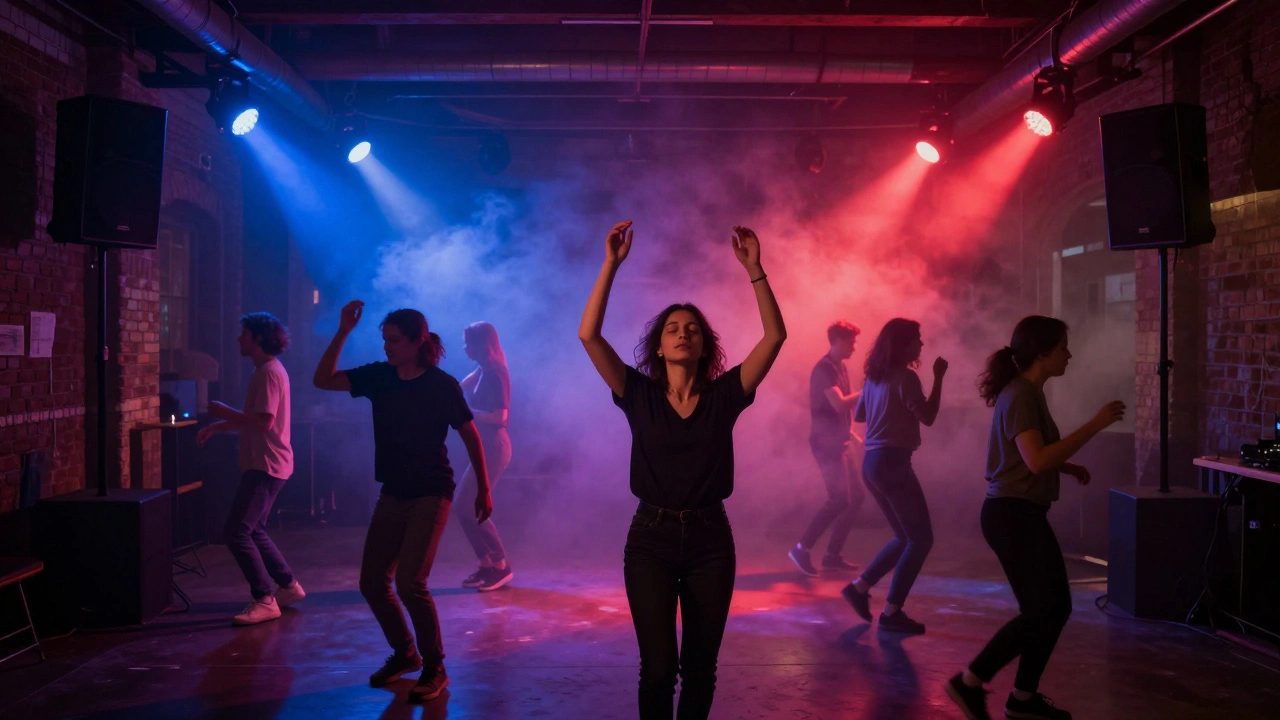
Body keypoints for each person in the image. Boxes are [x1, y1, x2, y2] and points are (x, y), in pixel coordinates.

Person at [578, 221, 786, 720]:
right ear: (658, 347)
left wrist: (755, 270)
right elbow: (589, 335)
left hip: (711, 542)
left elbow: (775, 336)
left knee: (699, 669)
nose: (683, 333)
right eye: (672, 328)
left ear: (703, 347)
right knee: (657, 669)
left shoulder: (724, 396)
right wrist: (611, 264)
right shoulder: (639, 395)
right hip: (649, 539)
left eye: (692, 329)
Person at [945, 315, 1125, 720]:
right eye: (1063, 347)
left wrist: (1068, 467)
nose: (1069, 354)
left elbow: (1030, 454)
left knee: (1051, 608)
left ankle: (1022, 697)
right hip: (1012, 515)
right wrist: (1095, 424)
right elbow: (1038, 459)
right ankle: (971, 681)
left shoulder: (1028, 393)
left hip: (1017, 512)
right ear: (1042, 353)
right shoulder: (1022, 395)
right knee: (1045, 610)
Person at [313, 301, 492, 703]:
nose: (387, 348)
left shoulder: (442, 385)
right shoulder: (381, 377)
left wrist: (483, 487)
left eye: (394, 341)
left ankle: (435, 666)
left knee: (411, 583)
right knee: (372, 582)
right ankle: (406, 653)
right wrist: (343, 331)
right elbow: (322, 379)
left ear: (418, 341)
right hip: (392, 493)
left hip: (431, 492)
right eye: (384, 340)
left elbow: (470, 435)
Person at [198, 312, 305, 626]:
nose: (238, 339)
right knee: (254, 530)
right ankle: (288, 586)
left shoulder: (268, 373)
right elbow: (257, 421)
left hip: (266, 465)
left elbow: (263, 422)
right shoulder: (267, 371)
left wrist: (223, 411)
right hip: (268, 463)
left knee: (236, 532)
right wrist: (221, 426)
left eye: (243, 334)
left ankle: (264, 599)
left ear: (258, 338)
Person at [839, 319, 945, 635]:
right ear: (903, 344)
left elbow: (859, 416)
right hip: (893, 464)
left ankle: (859, 588)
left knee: (904, 537)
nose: (921, 345)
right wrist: (939, 379)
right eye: (917, 339)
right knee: (921, 538)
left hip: (872, 464)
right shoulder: (907, 378)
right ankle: (892, 611)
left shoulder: (874, 378)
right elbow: (928, 417)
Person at [789, 320, 866, 576]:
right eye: (851, 342)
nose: (854, 347)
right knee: (839, 499)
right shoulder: (823, 369)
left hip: (839, 441)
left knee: (855, 498)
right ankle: (801, 548)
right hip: (826, 445)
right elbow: (840, 404)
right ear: (838, 341)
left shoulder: (840, 367)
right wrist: (869, 390)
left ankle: (832, 555)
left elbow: (844, 410)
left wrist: (851, 434)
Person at [457, 321, 514, 591]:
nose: (465, 347)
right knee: (462, 506)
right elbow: (457, 389)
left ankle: (502, 567)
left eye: (468, 342)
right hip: (484, 446)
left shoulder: (496, 373)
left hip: (495, 446)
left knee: (472, 504)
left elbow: (500, 416)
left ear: (482, 344)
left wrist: (469, 414)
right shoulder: (482, 370)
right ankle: (486, 564)